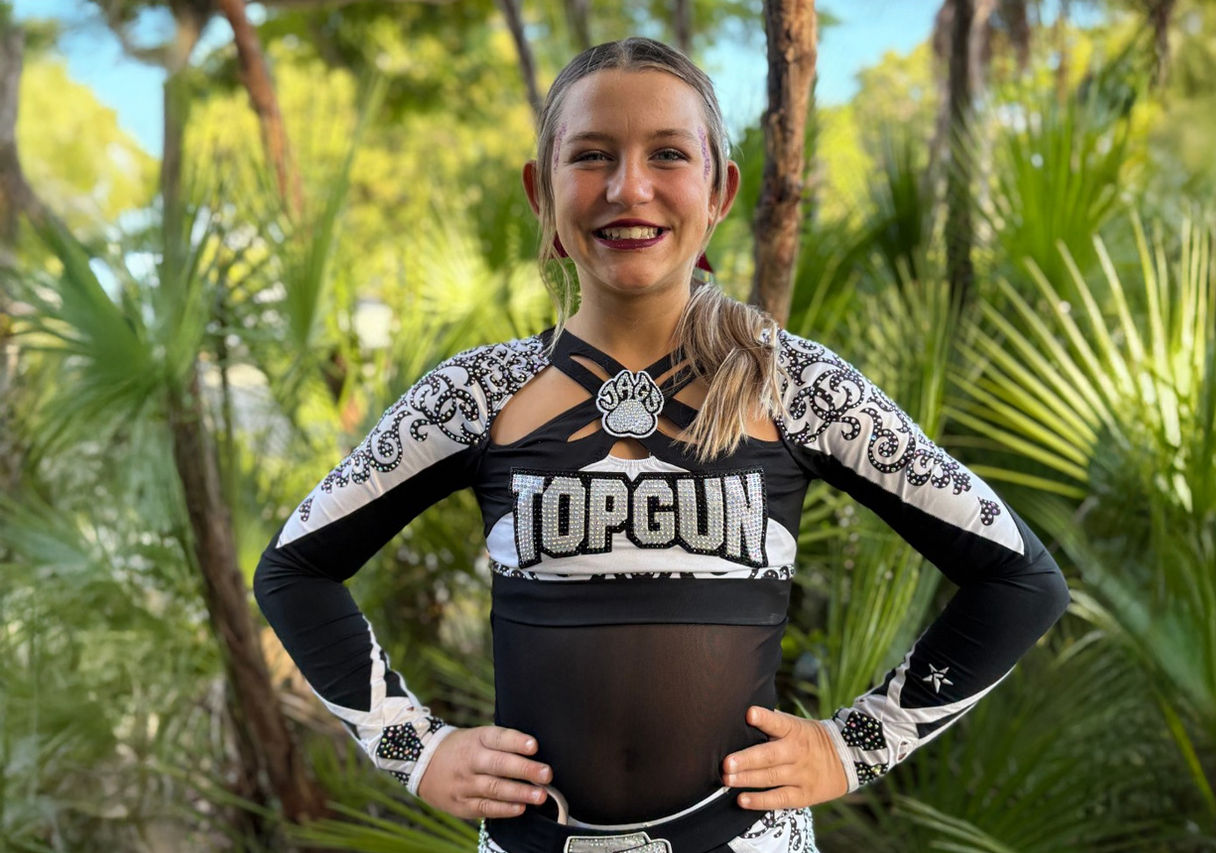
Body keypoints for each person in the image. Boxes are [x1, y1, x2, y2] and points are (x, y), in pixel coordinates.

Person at [254, 36, 1070, 853]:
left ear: (720, 190)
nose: (629, 188)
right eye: (592, 155)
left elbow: (1020, 579)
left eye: (668, 154)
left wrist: (853, 746)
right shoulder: (477, 396)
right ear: (541, 191)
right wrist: (416, 749)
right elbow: (294, 570)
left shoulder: (794, 386)